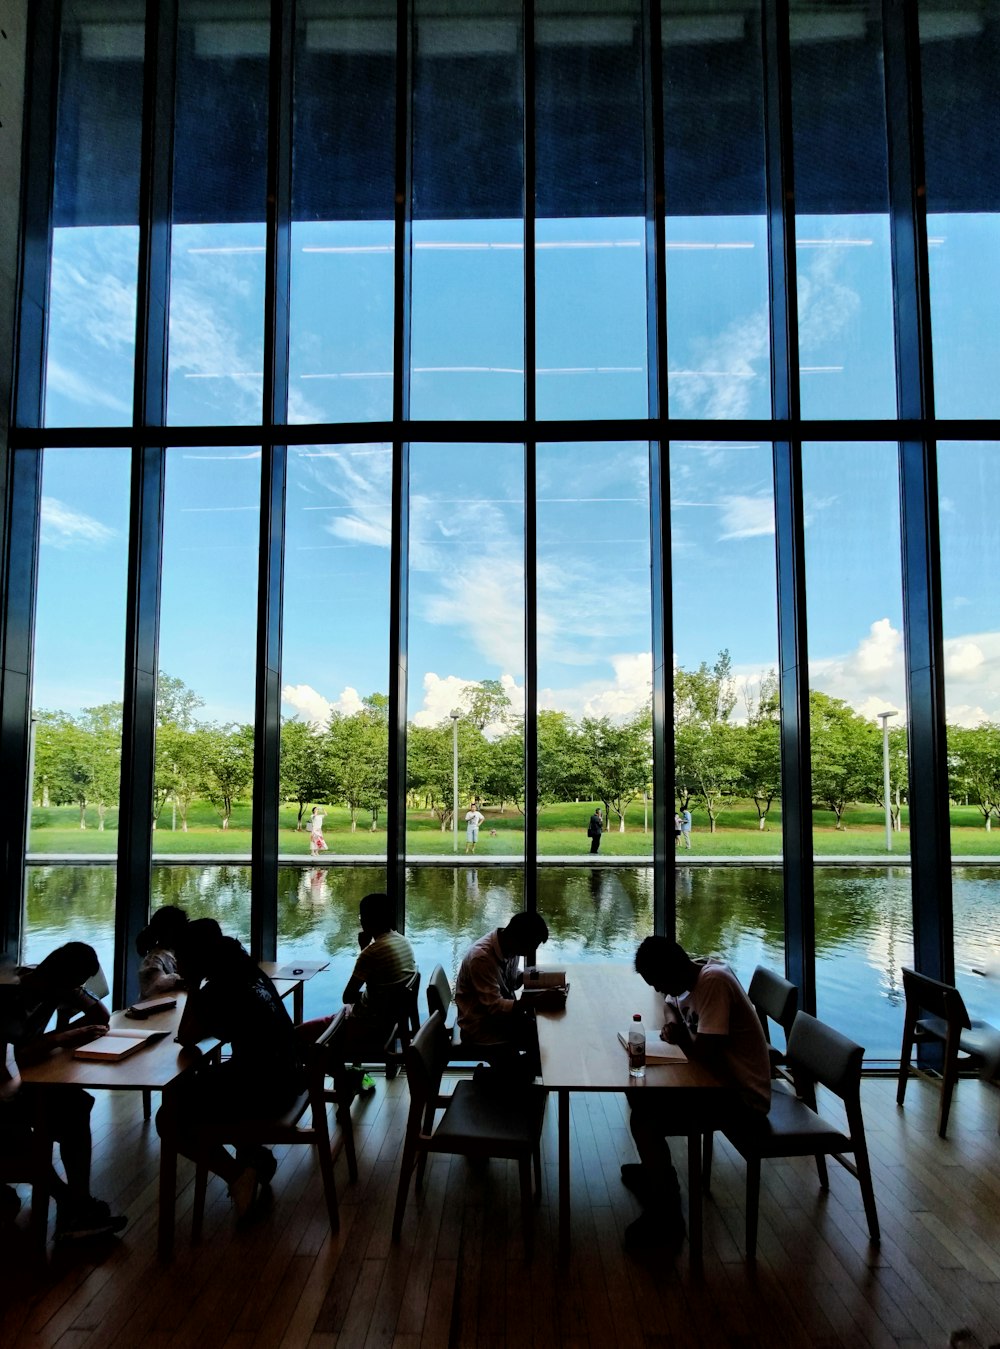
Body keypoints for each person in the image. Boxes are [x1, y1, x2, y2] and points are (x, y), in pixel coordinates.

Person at [622, 937, 771, 1252]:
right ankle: (657, 1173)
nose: (660, 990)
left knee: (645, 1118)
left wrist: (680, 1037)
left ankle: (667, 1212)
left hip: (742, 1097)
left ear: (673, 968)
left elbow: (708, 1052)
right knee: (638, 1095)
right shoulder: (694, 975)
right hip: (716, 1083)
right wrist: (675, 1023)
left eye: (660, 982)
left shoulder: (714, 982)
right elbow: (670, 1005)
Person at [164, 919, 306, 1218]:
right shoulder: (246, 970)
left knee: (170, 1116)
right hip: (289, 1077)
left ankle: (237, 1173)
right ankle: (254, 1157)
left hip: (268, 1089)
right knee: (199, 1087)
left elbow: (188, 1037)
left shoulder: (220, 988)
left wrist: (192, 985)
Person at [0, 942, 128, 1240]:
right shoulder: (8, 997)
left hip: (16, 1080)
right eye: (73, 983)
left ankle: (76, 1203)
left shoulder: (49, 989)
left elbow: (101, 1015)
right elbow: (9, 1055)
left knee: (73, 1105)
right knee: (31, 1128)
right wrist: (62, 1036)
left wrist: (76, 993)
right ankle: (71, 1202)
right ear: (58, 978)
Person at [454, 911, 561, 1081]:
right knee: (542, 1044)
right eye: (531, 946)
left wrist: (539, 980)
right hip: (481, 1027)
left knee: (543, 1039)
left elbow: (511, 980)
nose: (530, 952)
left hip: (498, 1019)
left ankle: (513, 1074)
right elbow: (494, 1007)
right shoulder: (481, 958)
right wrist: (536, 1001)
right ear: (517, 938)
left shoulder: (508, 947)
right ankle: (486, 1079)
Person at [341, 892, 417, 1091]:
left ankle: (345, 1089)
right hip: (388, 1017)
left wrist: (364, 949)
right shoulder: (402, 941)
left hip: (369, 1024)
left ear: (366, 920)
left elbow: (347, 996)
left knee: (309, 1036)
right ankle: (358, 1078)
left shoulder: (372, 952)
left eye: (361, 917)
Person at [135, 904, 188, 999]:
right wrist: (182, 980)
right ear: (171, 932)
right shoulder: (154, 959)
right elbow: (157, 985)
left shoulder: (173, 954)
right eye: (183, 927)